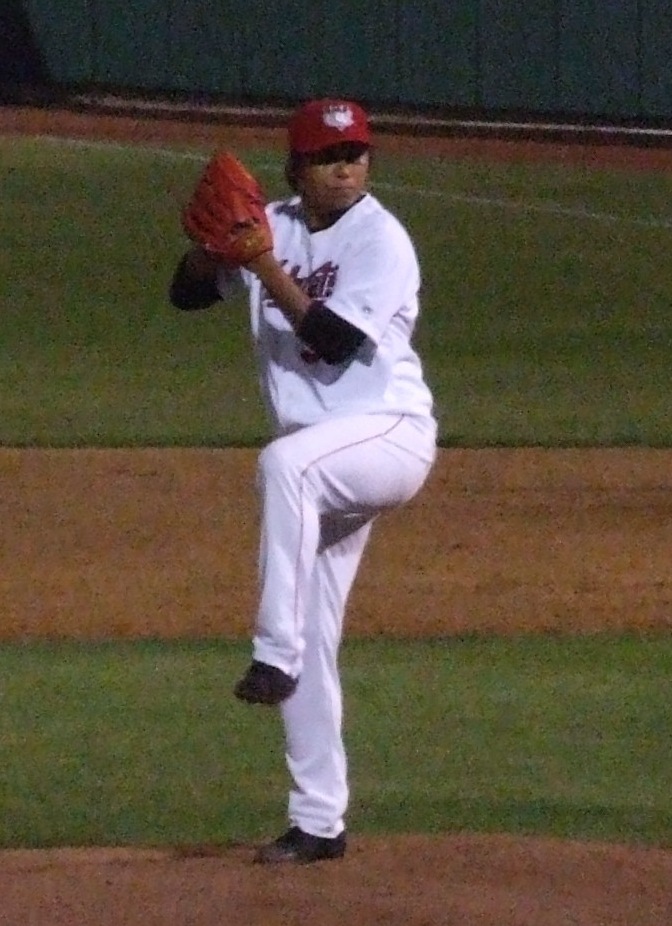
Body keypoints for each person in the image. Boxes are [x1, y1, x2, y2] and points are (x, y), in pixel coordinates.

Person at [169, 99, 438, 863]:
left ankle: (273, 652)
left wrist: (260, 264)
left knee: (283, 464)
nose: (346, 167)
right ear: (296, 168)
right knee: (319, 629)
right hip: (324, 464)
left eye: (356, 153)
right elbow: (186, 294)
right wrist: (210, 253)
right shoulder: (274, 225)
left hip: (387, 435)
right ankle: (319, 821)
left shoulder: (382, 239)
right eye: (328, 156)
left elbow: (335, 337)